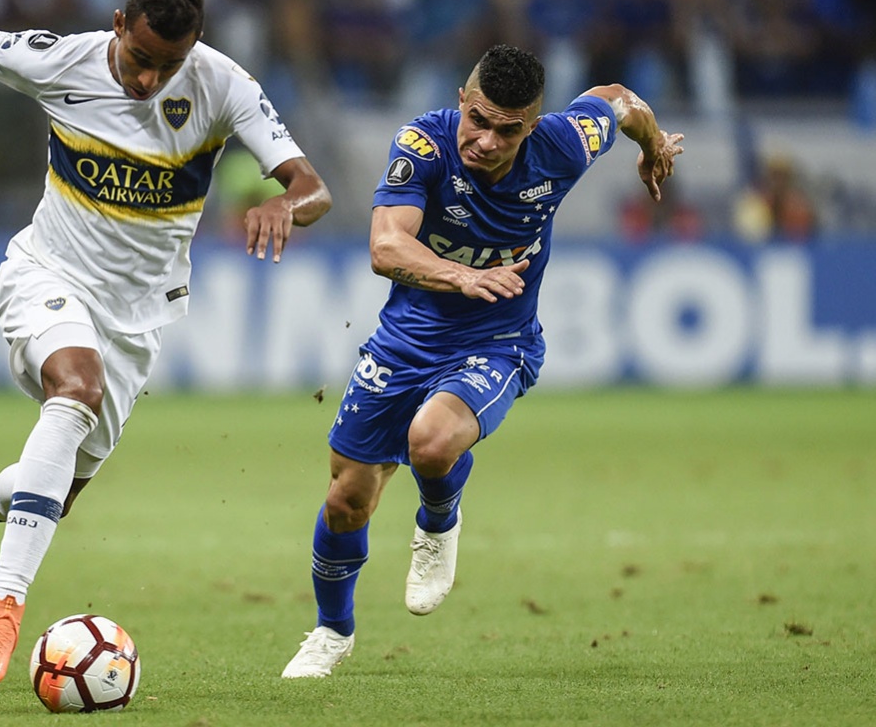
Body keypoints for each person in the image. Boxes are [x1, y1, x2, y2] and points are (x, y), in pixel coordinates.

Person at [0, 0, 331, 687]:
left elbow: (312, 186)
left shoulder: (224, 84)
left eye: (169, 65)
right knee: (75, 390)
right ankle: (4, 604)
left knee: (57, 491)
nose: (149, 80)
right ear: (118, 25)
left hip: (138, 317)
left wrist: (285, 205)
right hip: (47, 274)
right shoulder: (60, 59)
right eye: (140, 58)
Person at [280, 44, 682, 678]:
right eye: (479, 120)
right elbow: (386, 247)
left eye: (509, 130)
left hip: (498, 341)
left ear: (533, 126)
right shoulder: (424, 144)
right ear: (463, 101)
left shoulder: (563, 145)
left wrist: (652, 143)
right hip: (405, 342)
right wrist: (460, 276)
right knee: (347, 499)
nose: (488, 141)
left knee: (431, 442)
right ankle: (332, 632)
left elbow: (619, 101)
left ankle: (438, 522)